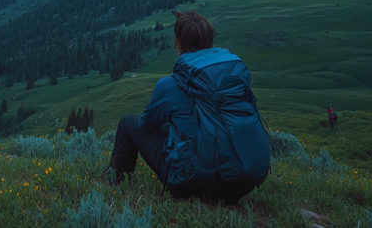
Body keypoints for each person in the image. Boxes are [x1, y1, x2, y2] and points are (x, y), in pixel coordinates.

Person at [106, 11, 270, 203]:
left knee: (128, 124)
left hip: (194, 183)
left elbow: (145, 127)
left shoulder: (170, 84)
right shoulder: (233, 76)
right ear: (210, 41)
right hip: (244, 181)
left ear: (179, 42)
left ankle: (120, 184)